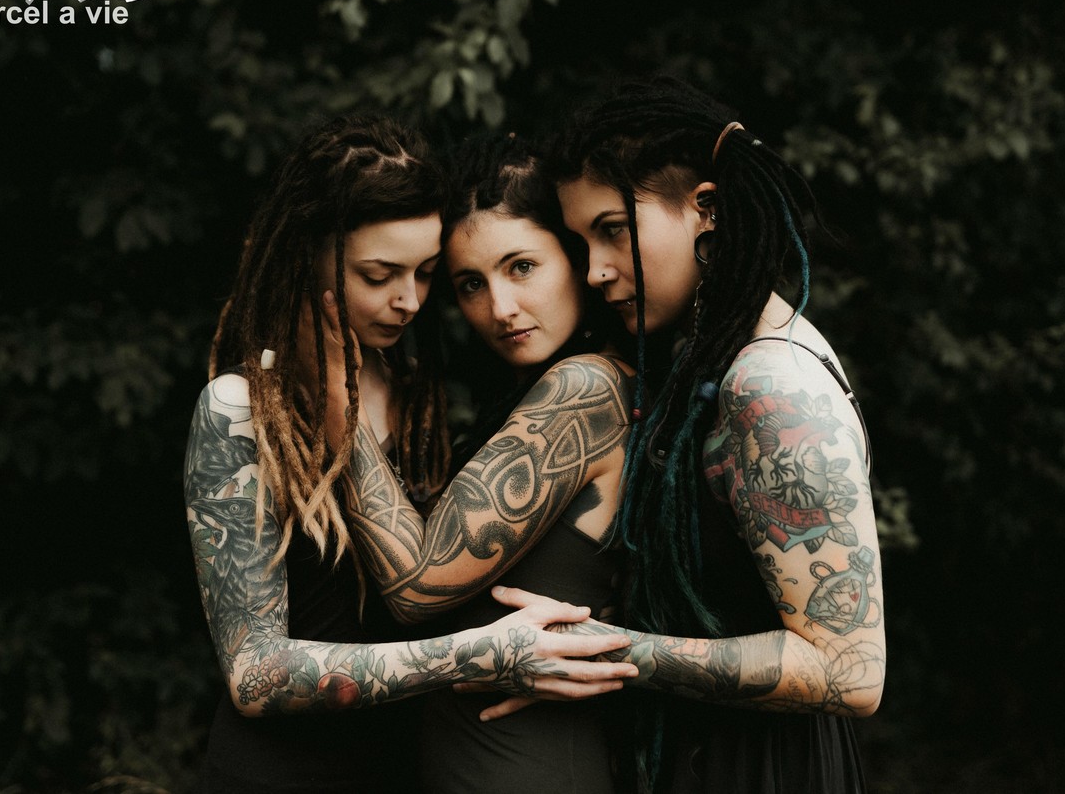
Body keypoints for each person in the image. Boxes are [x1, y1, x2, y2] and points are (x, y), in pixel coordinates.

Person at [182, 115, 636, 794]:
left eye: (425, 275)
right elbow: (254, 674)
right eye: (379, 274)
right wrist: (472, 655)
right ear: (309, 256)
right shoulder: (240, 408)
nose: (409, 301)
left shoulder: (418, 391)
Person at [497, 76, 885, 793]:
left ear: (706, 208)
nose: (596, 270)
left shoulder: (770, 384)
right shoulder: (714, 357)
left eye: (613, 229)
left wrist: (601, 650)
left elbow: (849, 671)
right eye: (581, 241)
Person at [337, 134, 636, 794]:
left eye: (521, 266)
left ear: (577, 258)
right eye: (471, 283)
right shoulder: (530, 397)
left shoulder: (586, 388)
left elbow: (416, 587)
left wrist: (338, 395)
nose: (499, 308)